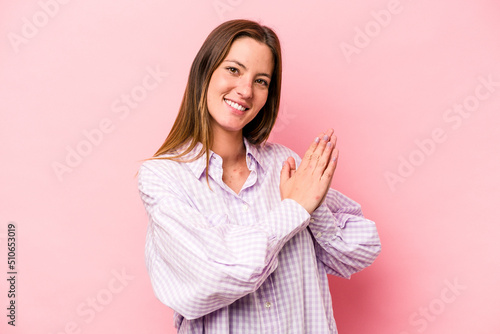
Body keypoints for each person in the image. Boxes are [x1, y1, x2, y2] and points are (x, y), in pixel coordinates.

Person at [137, 19, 381, 334]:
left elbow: (358, 253)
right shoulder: (162, 177)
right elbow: (213, 277)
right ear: (204, 72)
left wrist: (313, 207)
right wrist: (293, 209)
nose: (245, 90)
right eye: (234, 70)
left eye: (262, 80)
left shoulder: (287, 164)